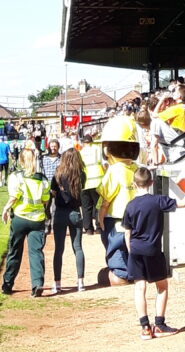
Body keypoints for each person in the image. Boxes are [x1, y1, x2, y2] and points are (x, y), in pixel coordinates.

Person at [122, 166, 185, 339]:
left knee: (140, 288)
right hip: (153, 251)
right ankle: (160, 324)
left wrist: (131, 251)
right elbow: (184, 202)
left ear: (134, 184)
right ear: (152, 182)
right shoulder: (158, 201)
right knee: (161, 287)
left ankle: (145, 328)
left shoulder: (130, 206)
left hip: (136, 250)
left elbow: (127, 232)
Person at [96, 115, 140, 285]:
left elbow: (106, 200)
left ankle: (121, 276)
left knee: (114, 265)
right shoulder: (136, 168)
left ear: (107, 150)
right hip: (135, 220)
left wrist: (100, 219)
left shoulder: (114, 170)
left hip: (115, 221)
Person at [2, 146, 51, 296]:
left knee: (14, 252)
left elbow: (14, 196)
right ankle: (37, 284)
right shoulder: (42, 178)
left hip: (20, 218)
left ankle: (8, 284)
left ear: (21, 161)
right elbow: (45, 200)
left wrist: (5, 209)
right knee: (36, 252)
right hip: (37, 220)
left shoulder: (16, 176)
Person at [51, 148, 86, 294]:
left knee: (59, 249)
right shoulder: (81, 175)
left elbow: (52, 193)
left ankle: (57, 283)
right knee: (77, 248)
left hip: (60, 213)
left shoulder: (58, 174)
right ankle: (81, 282)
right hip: (75, 213)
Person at [79, 135, 104, 234]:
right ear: (92, 141)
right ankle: (98, 227)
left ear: (83, 143)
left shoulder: (80, 152)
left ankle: (88, 229)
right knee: (98, 206)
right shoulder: (98, 149)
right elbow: (104, 164)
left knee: (86, 207)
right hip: (97, 182)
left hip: (85, 184)